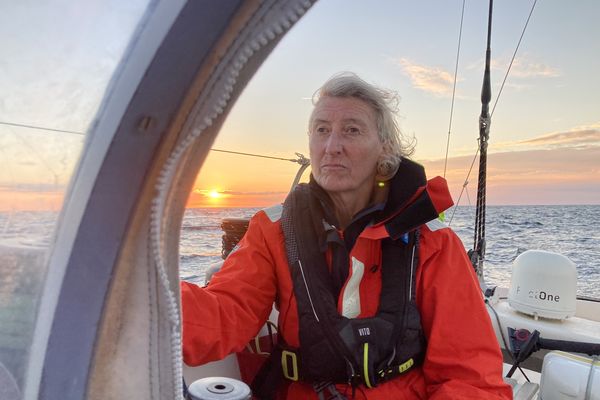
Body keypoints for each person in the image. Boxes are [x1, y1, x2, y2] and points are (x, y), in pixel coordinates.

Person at [181, 73, 512, 399]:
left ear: (385, 148)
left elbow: (472, 380)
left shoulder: (434, 243)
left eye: (351, 130)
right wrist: (140, 294)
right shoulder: (273, 230)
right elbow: (223, 315)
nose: (331, 146)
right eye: (321, 130)